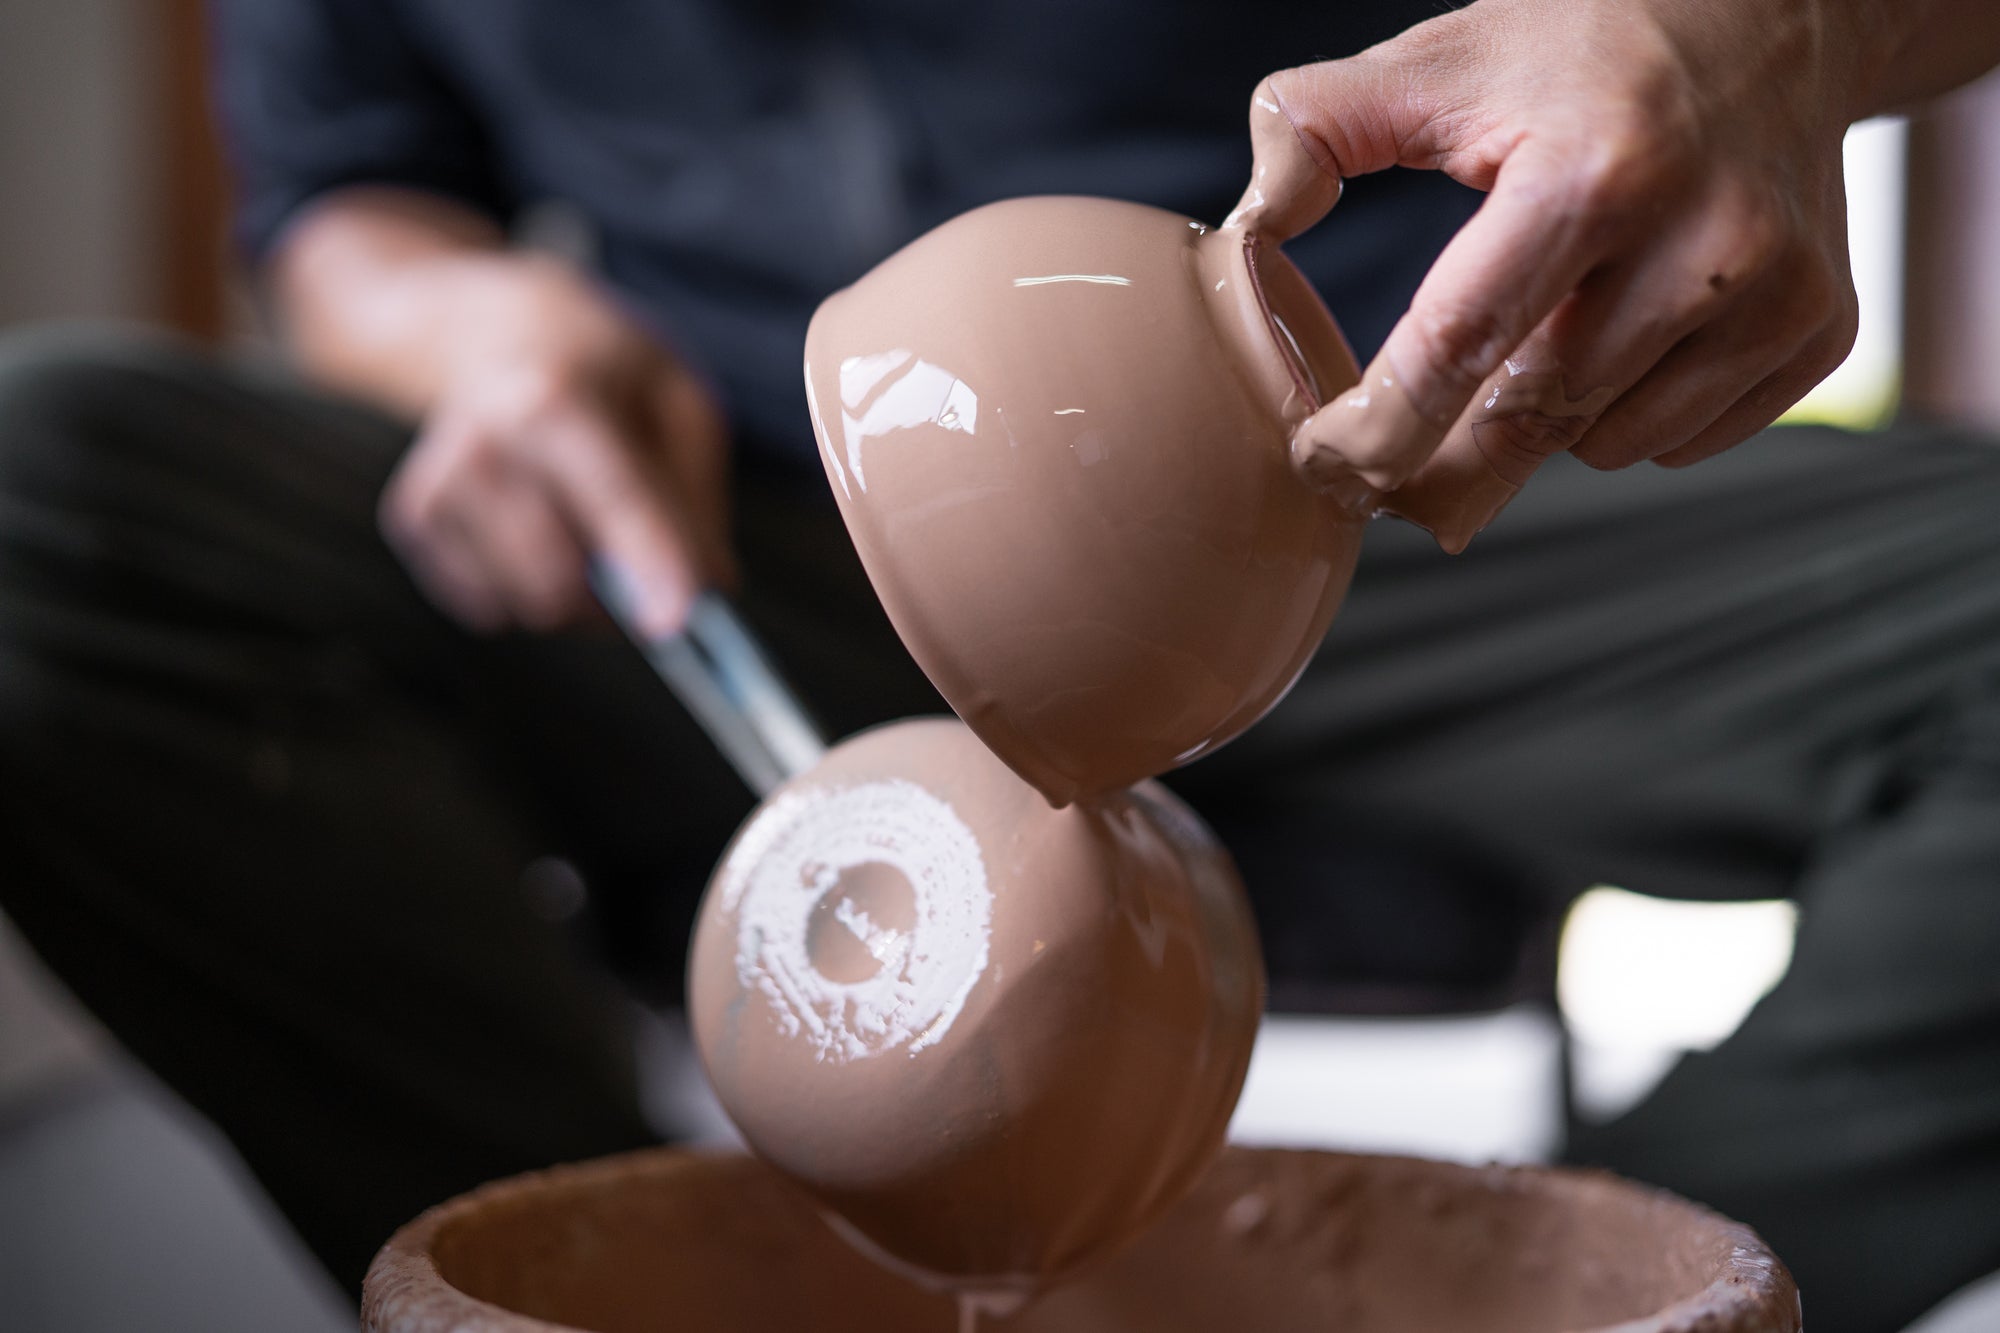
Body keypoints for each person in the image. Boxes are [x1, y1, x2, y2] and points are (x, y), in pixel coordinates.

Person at [1, 0, 1996, 1327]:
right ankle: (674, 1296)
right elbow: (347, 199)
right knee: (47, 494)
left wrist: (1769, 30)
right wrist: (467, 328)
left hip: (1393, 494)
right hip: (737, 511)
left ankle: (1530, 1309)